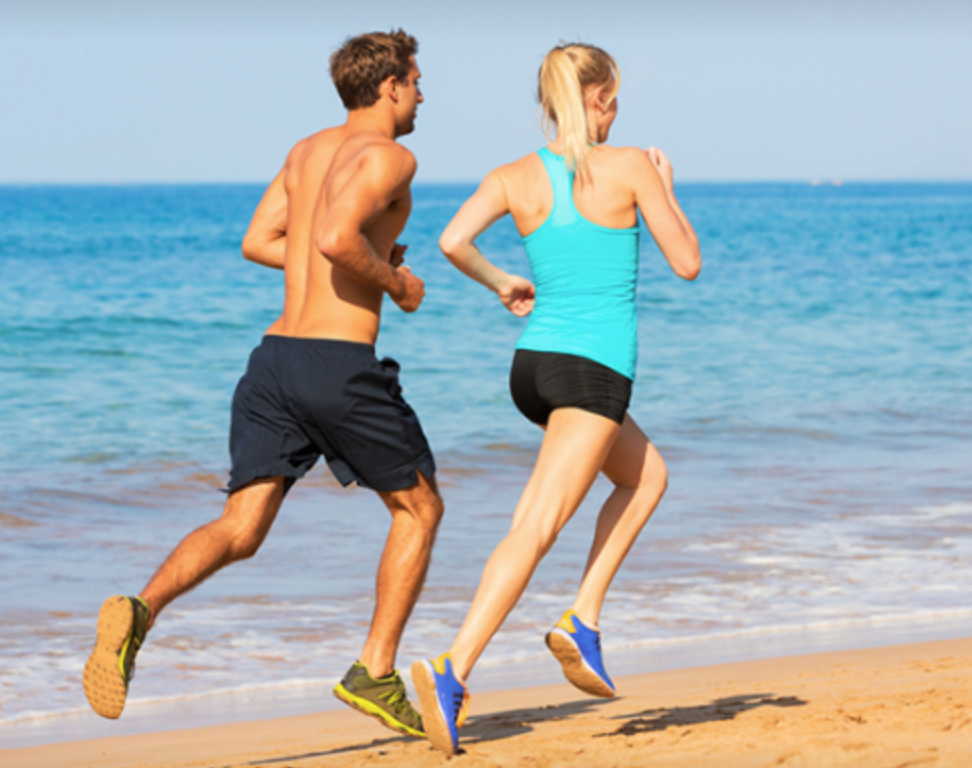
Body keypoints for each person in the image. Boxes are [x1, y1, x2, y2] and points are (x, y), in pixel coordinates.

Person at [82, 30, 442, 739]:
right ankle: (374, 669)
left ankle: (141, 610)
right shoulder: (393, 156)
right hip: (338, 364)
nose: (423, 95)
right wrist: (395, 280)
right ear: (391, 85)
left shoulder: (304, 151)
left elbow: (261, 241)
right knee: (420, 509)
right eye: (417, 81)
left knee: (241, 527)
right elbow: (337, 238)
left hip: (274, 361)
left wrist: (364, 253)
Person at [411, 42, 701, 754]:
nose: (614, 115)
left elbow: (452, 240)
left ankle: (585, 618)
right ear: (599, 98)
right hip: (591, 373)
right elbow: (688, 262)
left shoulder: (514, 176)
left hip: (535, 369)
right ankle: (453, 670)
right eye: (613, 103)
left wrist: (503, 280)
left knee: (647, 476)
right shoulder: (631, 166)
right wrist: (667, 184)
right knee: (535, 527)